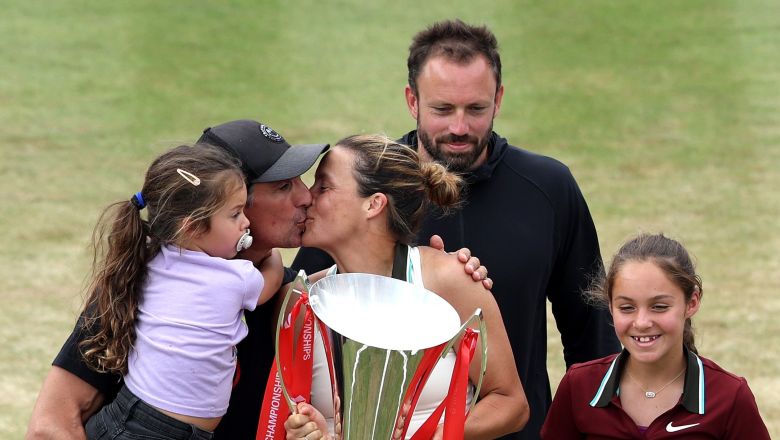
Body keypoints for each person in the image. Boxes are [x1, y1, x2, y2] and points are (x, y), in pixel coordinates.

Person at [26, 120, 489, 439]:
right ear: (232, 205)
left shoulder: (298, 298)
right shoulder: (144, 285)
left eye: (305, 181)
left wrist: (448, 276)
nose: (305, 196)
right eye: (283, 186)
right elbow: (52, 425)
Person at [291, 19, 621, 439]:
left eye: (476, 109)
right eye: (443, 109)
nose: (460, 128)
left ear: (498, 99)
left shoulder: (550, 188)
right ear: (412, 101)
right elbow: (300, 309)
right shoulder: (366, 192)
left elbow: (591, 336)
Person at [285, 134, 529, 439]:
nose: (307, 197)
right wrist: (308, 429)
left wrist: (437, 435)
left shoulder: (447, 280)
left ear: (374, 204)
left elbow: (510, 403)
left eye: (323, 186)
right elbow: (293, 412)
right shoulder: (302, 300)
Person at [79, 143, 284, 438]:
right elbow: (271, 282)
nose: (246, 222)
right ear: (193, 227)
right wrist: (272, 255)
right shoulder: (234, 278)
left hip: (132, 420)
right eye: (235, 214)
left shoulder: (150, 256)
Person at [540, 233, 771, 439]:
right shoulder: (578, 386)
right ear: (610, 306)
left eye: (659, 307)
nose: (641, 322)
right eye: (627, 308)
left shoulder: (730, 396)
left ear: (691, 303)